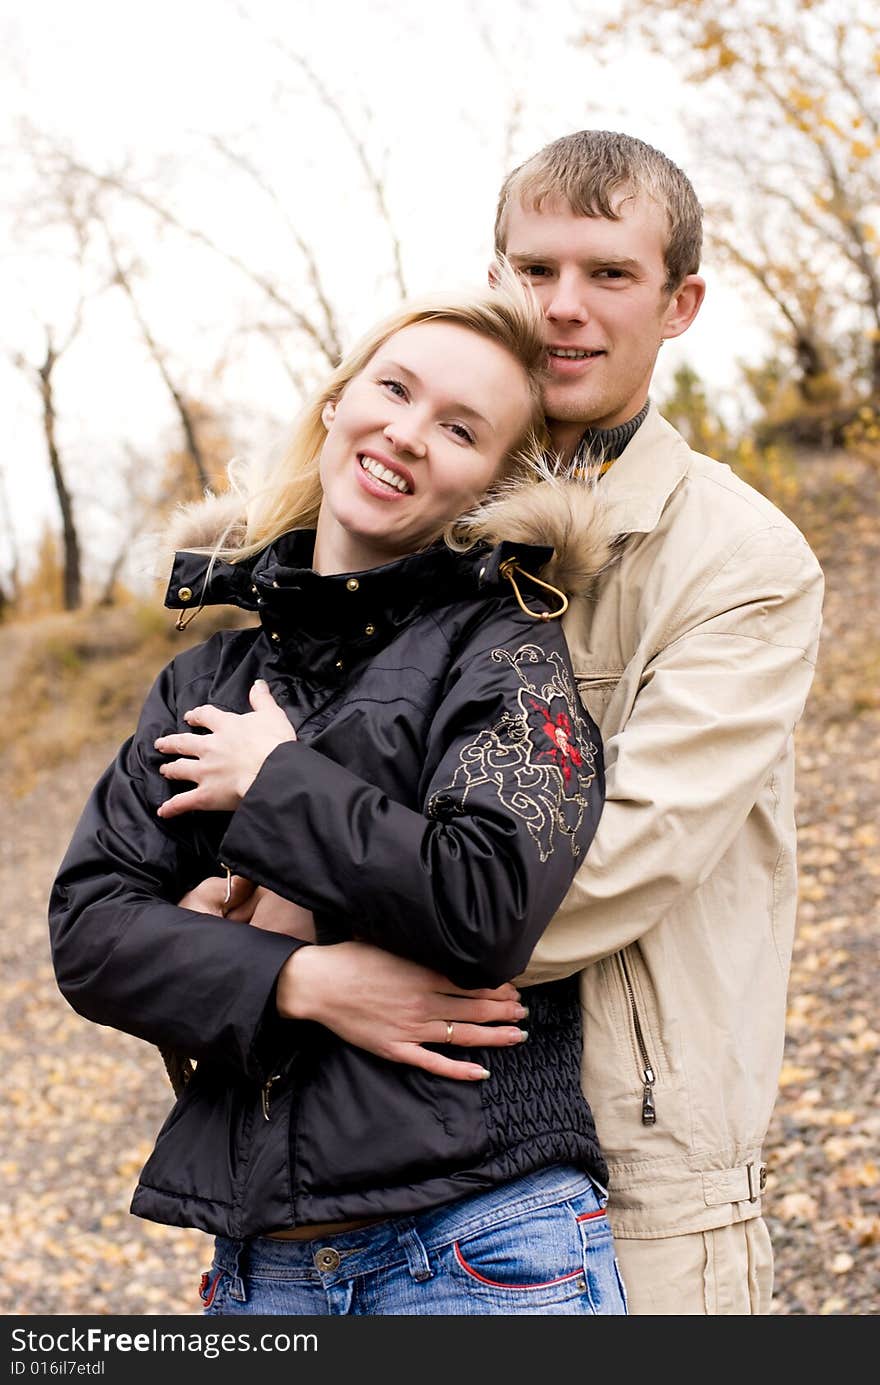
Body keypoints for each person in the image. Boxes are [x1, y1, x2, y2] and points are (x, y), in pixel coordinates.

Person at [254, 130, 825, 1316]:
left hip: (632, 1180)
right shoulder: (410, 526)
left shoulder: (741, 561)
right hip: (367, 1178)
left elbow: (599, 868)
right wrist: (288, 973)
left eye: (608, 273)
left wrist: (291, 933)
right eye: (533, 268)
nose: (562, 307)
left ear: (681, 303)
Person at [48, 269, 628, 1315]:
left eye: (459, 428)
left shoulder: (508, 658)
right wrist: (296, 981)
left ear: (491, 484)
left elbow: (484, 896)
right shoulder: (202, 682)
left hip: (480, 1246)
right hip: (263, 1266)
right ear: (336, 401)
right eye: (394, 390)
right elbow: (92, 929)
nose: (408, 433)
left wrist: (272, 781)